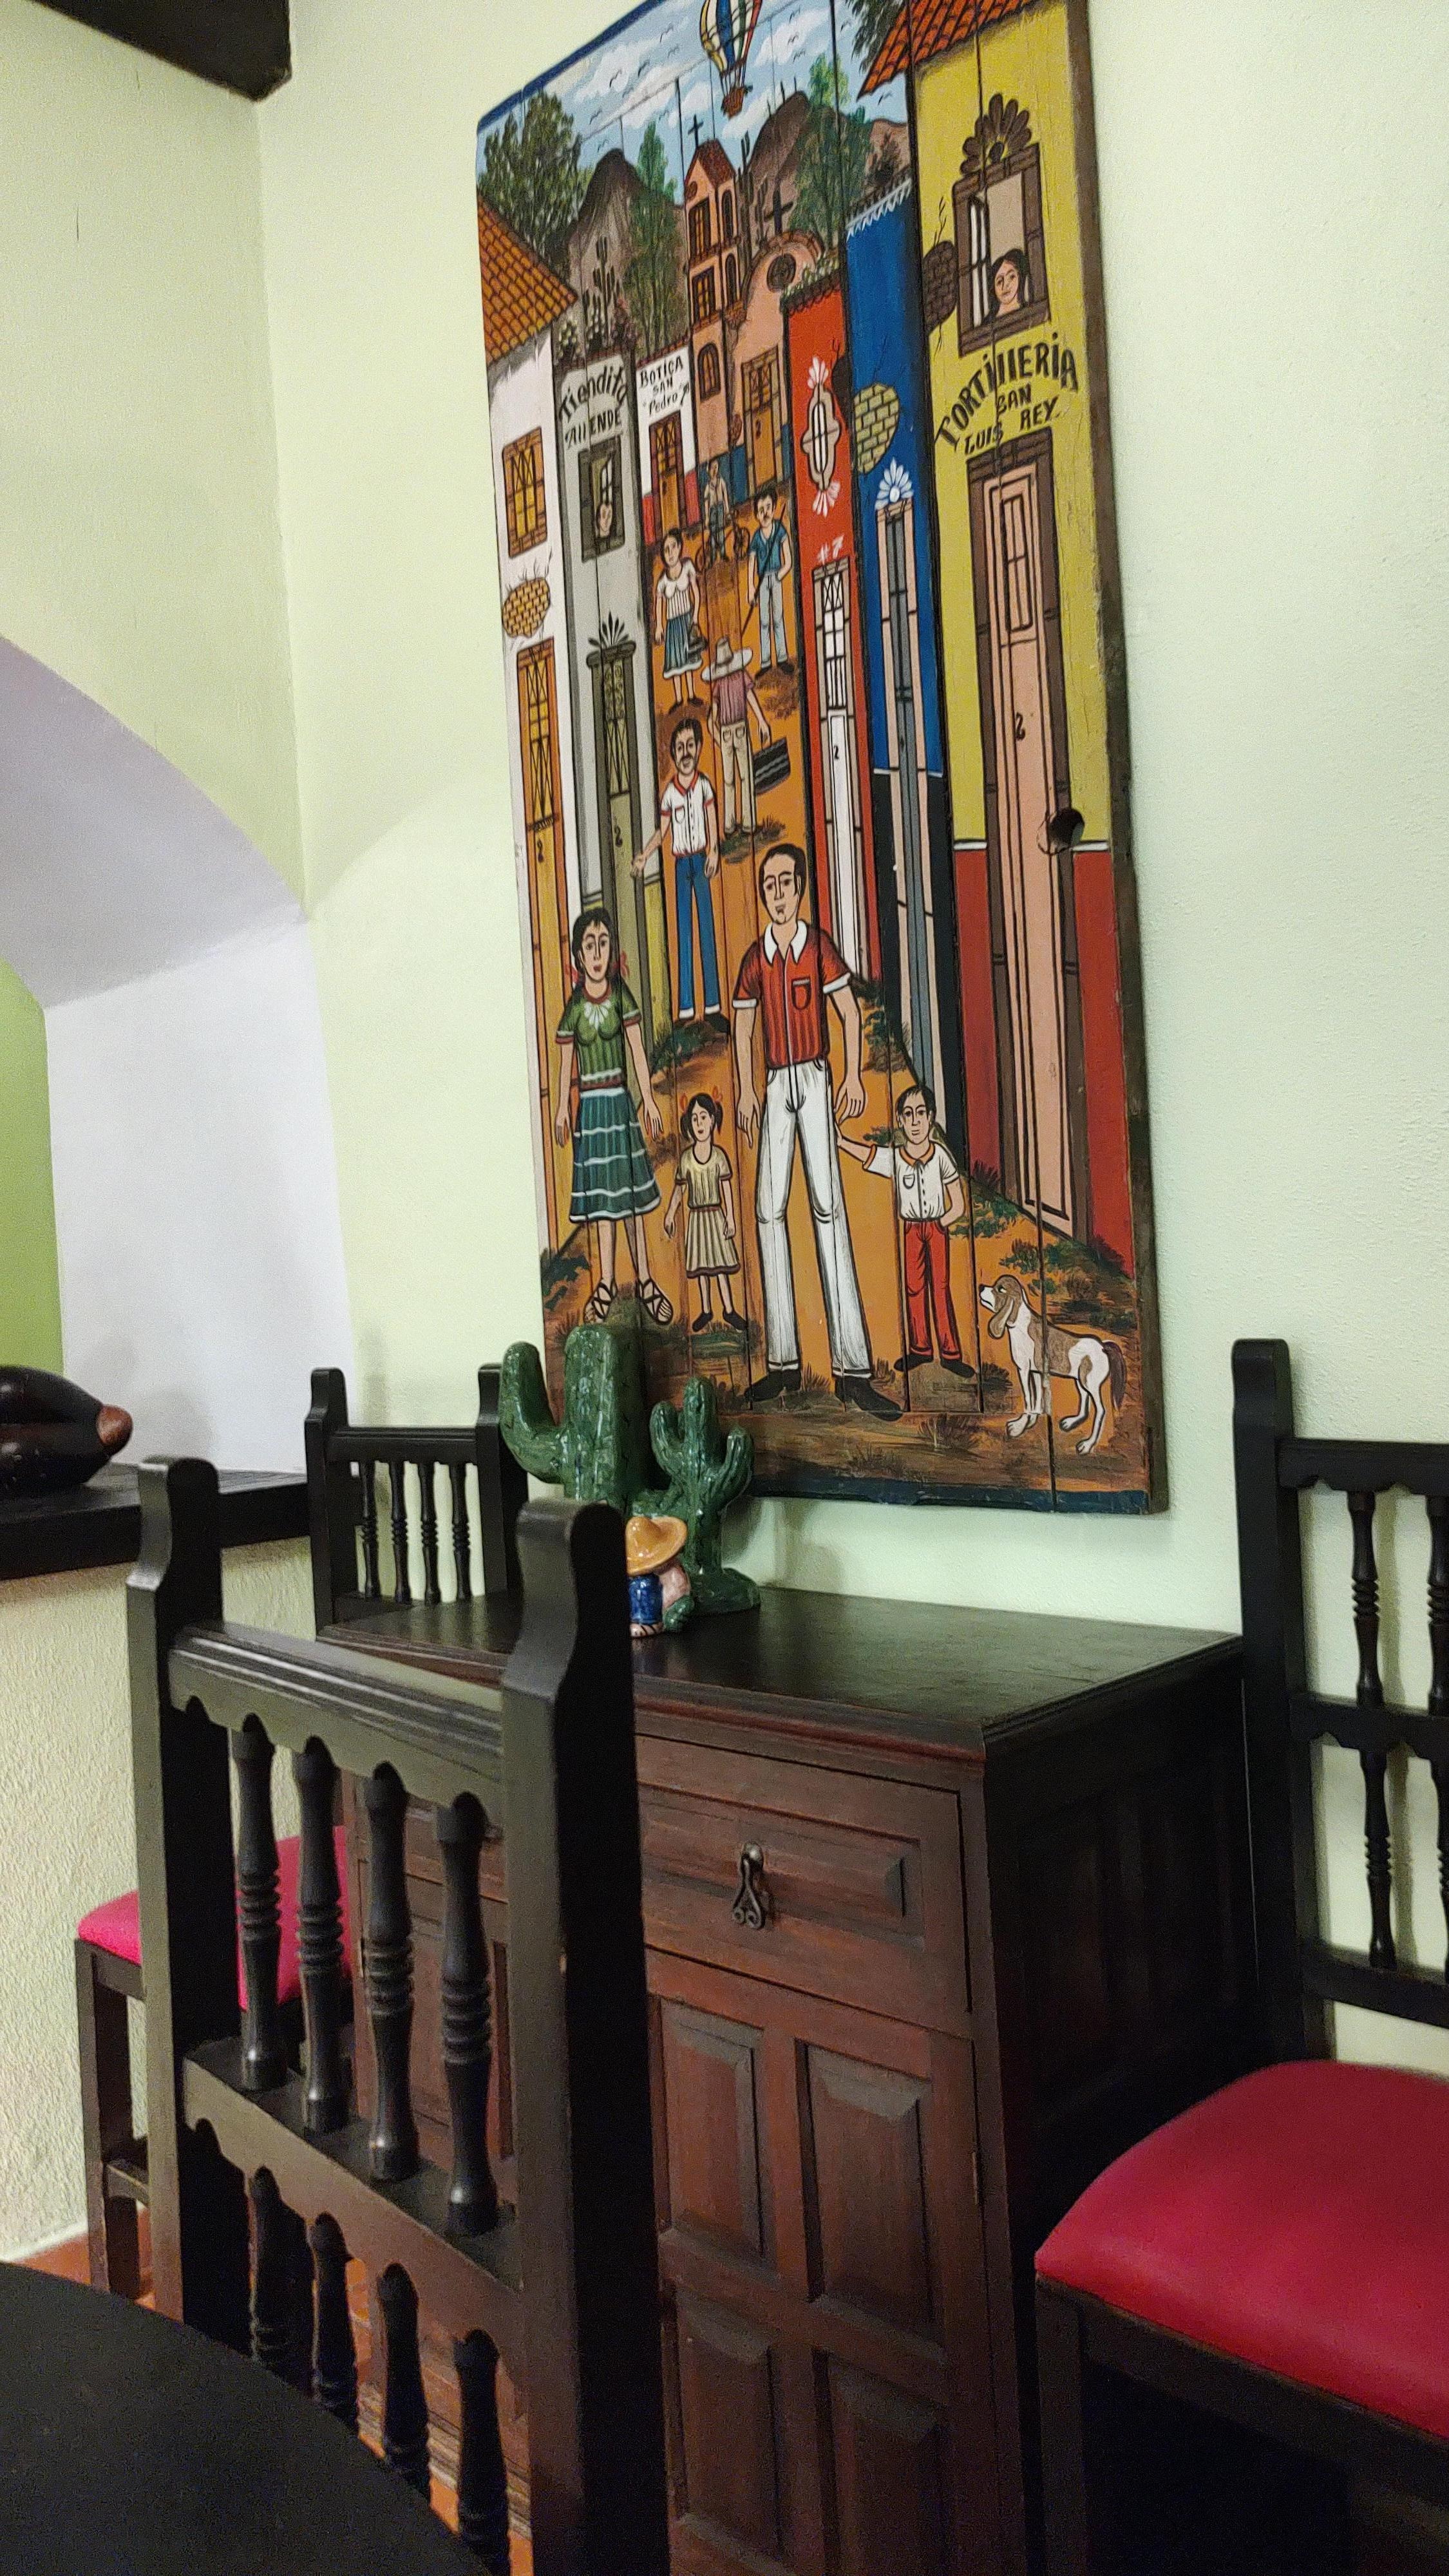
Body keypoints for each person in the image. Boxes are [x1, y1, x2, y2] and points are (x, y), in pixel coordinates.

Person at [732, 843, 898, 1417]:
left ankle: (853, 1370)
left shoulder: (817, 946)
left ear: (801, 887)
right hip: (776, 1084)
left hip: (815, 1077)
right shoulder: (756, 957)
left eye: (786, 882)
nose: (778, 894)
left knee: (829, 1208)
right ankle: (783, 1363)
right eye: (769, 885)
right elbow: (742, 1026)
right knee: (768, 1210)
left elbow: (849, 1013)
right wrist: (746, 1088)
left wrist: (852, 1076)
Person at [554, 905, 673, 1327]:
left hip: (620, 1105)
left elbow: (638, 1050)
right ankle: (605, 1282)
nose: (597, 952)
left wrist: (650, 1100)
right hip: (591, 1110)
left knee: (631, 1198)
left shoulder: (621, 995)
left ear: (611, 950)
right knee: (604, 1203)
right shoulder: (574, 1006)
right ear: (579, 955)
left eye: (603, 943)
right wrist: (561, 1110)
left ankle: (645, 1281)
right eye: (589, 945)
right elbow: (566, 1061)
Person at [837, 1082, 974, 1381]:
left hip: (936, 1228)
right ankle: (920, 1349)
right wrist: (841, 1141)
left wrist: (941, 1223)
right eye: (908, 1114)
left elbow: (959, 1203)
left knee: (940, 1289)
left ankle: (951, 1354)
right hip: (911, 1229)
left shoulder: (941, 1155)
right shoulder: (897, 1158)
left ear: (931, 1118)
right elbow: (869, 1155)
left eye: (921, 1113)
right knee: (914, 1288)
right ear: (900, 1120)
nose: (915, 1122)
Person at [632, 713, 721, 1023]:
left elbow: (712, 821)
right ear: (673, 753)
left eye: (690, 745)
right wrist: (644, 855)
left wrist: (714, 851)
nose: (686, 753)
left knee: (707, 929)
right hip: (682, 865)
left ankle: (713, 1006)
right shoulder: (669, 794)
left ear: (699, 748)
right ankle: (686, 1008)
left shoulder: (705, 786)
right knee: (684, 931)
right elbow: (663, 832)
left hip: (701, 860)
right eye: (680, 747)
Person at [664, 1093, 747, 1335]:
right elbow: (680, 1189)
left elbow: (726, 1187)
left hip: (715, 1216)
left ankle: (729, 1309)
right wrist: (670, 1213)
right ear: (689, 1124)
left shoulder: (719, 1156)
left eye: (703, 1117)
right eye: (694, 1118)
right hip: (697, 1219)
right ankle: (706, 1309)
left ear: (712, 1120)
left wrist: (730, 1217)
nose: (699, 1123)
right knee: (701, 1266)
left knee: (720, 1266)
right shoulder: (686, 1160)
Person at [705, 638, 772, 843]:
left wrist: (719, 739)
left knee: (729, 780)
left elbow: (711, 720)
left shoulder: (718, 685)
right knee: (746, 776)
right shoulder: (741, 676)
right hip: (740, 729)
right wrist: (762, 721)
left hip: (725, 732)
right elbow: (751, 699)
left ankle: (729, 825)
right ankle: (748, 824)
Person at [654, 527, 704, 704]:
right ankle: (678, 698)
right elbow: (659, 602)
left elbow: (696, 592)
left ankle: (691, 695)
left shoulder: (688, 567)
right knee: (675, 661)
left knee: (688, 658)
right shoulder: (663, 581)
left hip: (687, 619)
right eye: (666, 550)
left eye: (673, 547)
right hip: (673, 624)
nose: (670, 553)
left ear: (680, 547)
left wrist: (695, 617)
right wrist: (659, 626)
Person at [746, 486, 793, 674]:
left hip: (776, 577)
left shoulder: (780, 530)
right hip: (763, 581)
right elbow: (751, 562)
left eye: (768, 508)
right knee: (764, 620)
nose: (765, 513)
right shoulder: (757, 538)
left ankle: (782, 658)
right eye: (761, 510)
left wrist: (780, 575)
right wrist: (751, 587)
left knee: (778, 617)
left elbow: (788, 559)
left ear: (774, 508)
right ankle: (765, 662)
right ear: (757, 515)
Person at [703, 454, 732, 565]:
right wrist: (707, 517)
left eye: (716, 467)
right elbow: (706, 503)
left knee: (721, 531)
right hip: (712, 511)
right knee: (713, 534)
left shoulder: (721, 482)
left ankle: (723, 553)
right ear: (708, 470)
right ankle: (713, 556)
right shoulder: (708, 487)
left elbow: (725, 497)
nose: (714, 470)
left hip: (720, 509)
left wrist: (727, 511)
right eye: (712, 468)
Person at [990, 246, 1030, 319]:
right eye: (999, 282)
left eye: (1011, 277)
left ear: (1019, 277)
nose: (1005, 286)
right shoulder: (988, 322)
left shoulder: (1030, 311)